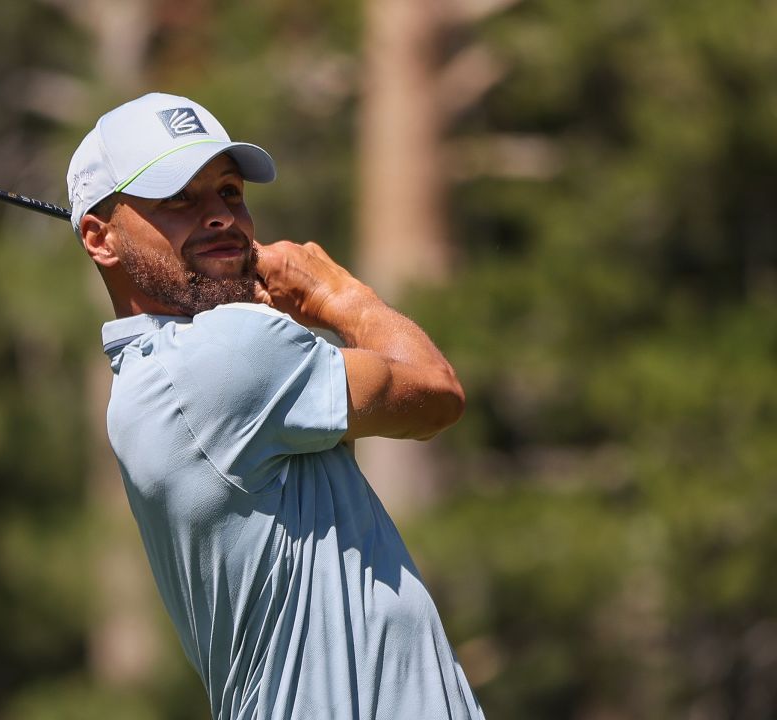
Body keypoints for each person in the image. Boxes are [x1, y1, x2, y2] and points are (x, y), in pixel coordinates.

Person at [67, 92, 485, 720]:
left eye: (229, 192)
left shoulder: (150, 382)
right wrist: (333, 292)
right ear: (101, 238)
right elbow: (435, 393)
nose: (219, 217)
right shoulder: (229, 353)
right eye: (179, 197)